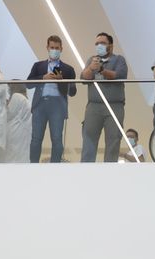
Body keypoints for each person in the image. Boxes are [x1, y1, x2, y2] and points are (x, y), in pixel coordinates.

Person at [26, 36, 77, 163]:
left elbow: (73, 92)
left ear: (61, 49)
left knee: (57, 139)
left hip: (58, 106)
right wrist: (43, 77)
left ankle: (55, 167)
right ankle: (33, 167)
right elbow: (28, 84)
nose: (54, 50)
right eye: (52, 47)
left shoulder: (68, 69)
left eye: (57, 48)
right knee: (36, 138)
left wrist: (62, 81)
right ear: (47, 48)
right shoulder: (38, 66)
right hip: (40, 104)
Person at [79, 33, 128, 163]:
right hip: (94, 106)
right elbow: (84, 78)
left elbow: (120, 75)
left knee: (113, 139)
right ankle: (86, 170)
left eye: (102, 43)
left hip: (114, 106)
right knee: (88, 138)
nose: (99, 46)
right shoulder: (91, 60)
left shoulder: (119, 59)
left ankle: (109, 171)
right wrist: (91, 68)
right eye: (97, 44)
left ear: (110, 46)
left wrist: (101, 70)